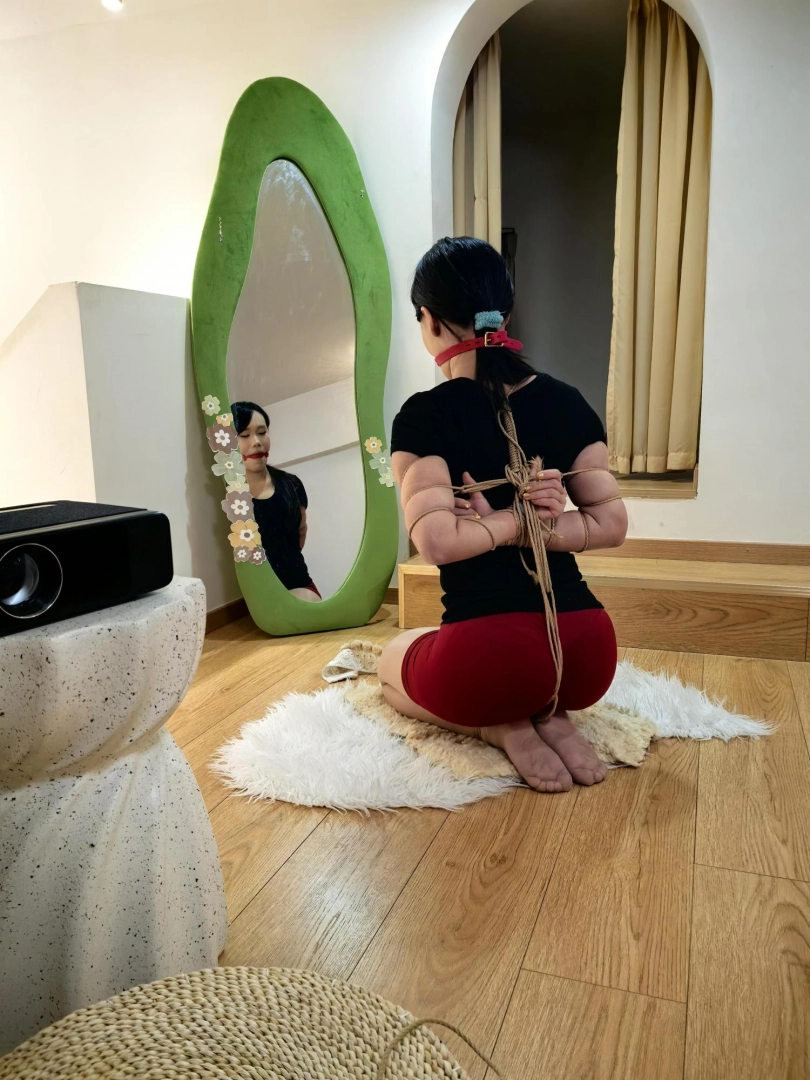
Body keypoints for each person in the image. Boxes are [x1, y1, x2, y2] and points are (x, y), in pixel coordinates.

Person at [378, 237, 628, 793]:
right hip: (587, 650)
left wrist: (503, 523)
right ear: (505, 315)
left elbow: (437, 542)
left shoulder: (423, 416)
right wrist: (539, 520)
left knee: (389, 664)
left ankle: (498, 727)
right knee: (530, 671)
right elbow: (611, 525)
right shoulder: (567, 401)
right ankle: (552, 714)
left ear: (430, 320)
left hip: (488, 656)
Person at [231, 401, 321, 602]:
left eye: (262, 432)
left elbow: (301, 533)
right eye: (244, 435)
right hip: (250, 597)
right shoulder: (228, 495)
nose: (256, 442)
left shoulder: (292, 484)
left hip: (299, 582)